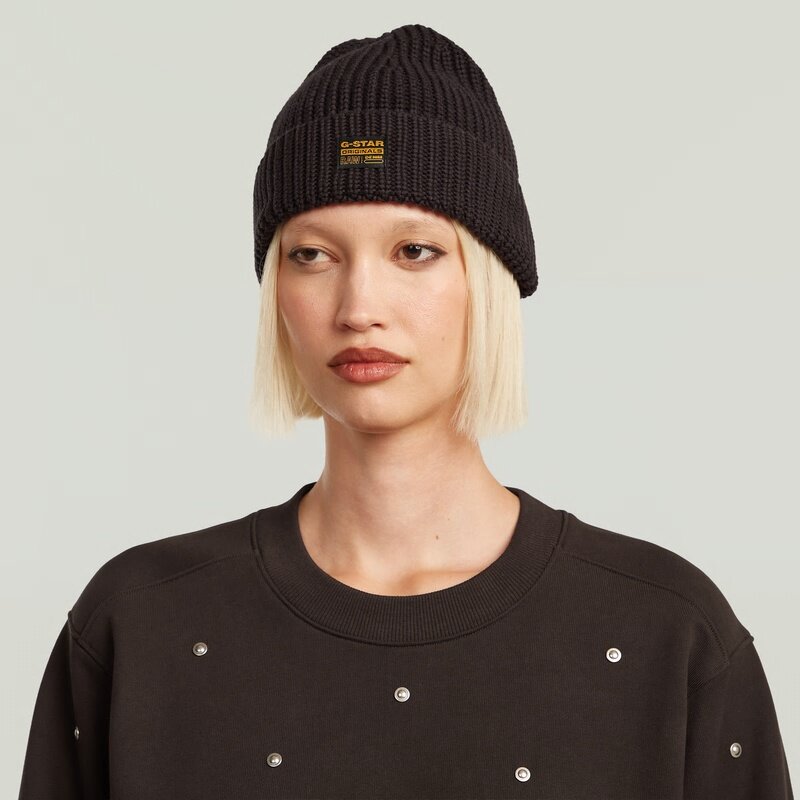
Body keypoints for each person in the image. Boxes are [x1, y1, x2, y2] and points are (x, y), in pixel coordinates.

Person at [18, 23, 794, 800]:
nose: (359, 307)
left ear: (488, 280)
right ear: (276, 292)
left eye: (414, 251)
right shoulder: (140, 624)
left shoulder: (668, 634)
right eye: (312, 254)